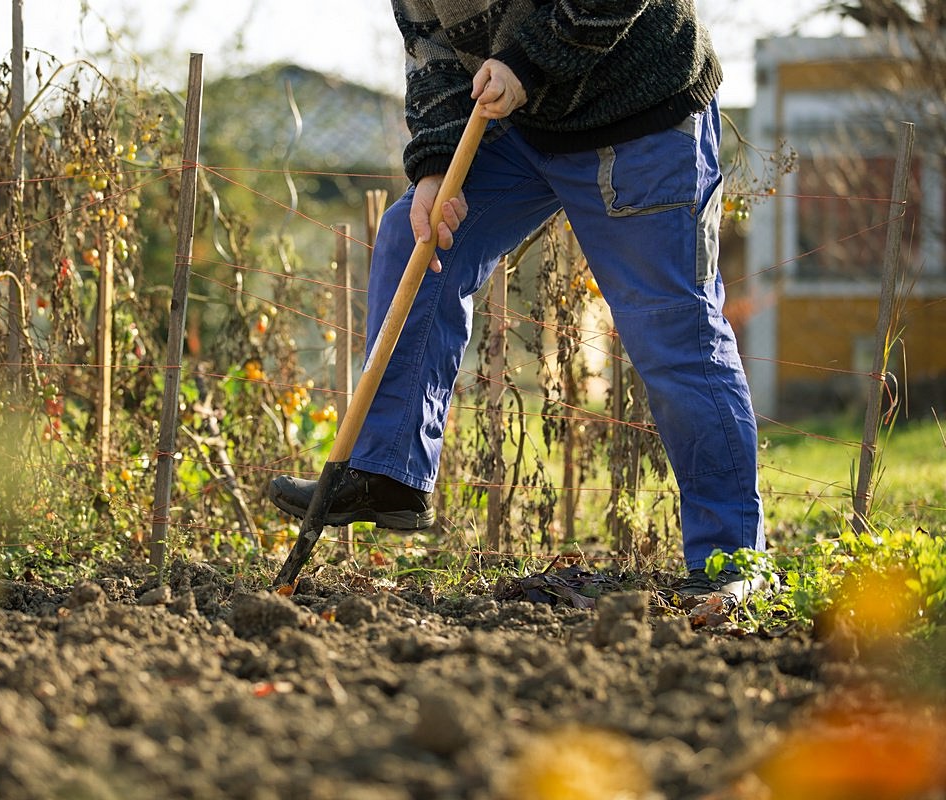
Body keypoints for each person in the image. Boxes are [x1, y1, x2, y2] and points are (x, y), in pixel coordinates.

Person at [267, 0, 767, 601]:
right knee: (414, 237)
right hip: (527, 126)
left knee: (674, 332)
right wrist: (433, 167)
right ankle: (389, 472)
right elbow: (432, 54)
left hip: (639, 115)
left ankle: (730, 565)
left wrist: (524, 63)